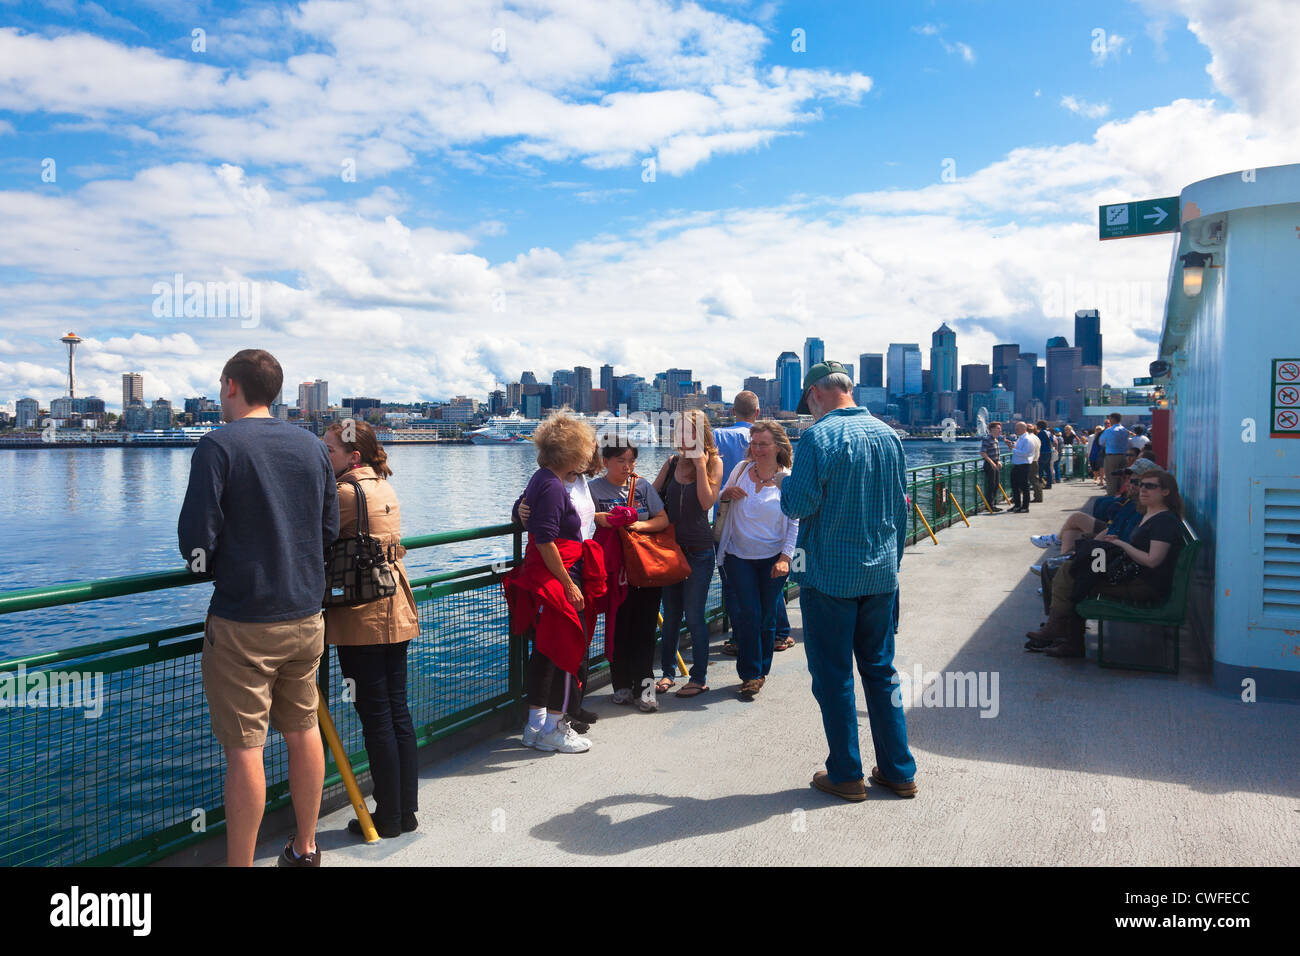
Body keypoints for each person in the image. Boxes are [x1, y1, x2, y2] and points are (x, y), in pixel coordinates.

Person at [178, 349, 338, 867]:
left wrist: (214, 564)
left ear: (230, 386)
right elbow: (328, 530)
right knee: (303, 729)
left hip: (244, 618)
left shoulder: (217, 446)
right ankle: (306, 848)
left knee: (245, 750)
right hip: (306, 615)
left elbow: (195, 542)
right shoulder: (313, 448)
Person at [780, 361, 917, 801]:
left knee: (835, 676)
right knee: (881, 672)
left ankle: (846, 774)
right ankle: (898, 770)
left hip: (830, 578)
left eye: (808, 401)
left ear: (816, 394)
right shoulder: (889, 434)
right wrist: (892, 566)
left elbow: (796, 505)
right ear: (849, 389)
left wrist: (782, 482)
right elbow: (900, 509)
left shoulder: (818, 437)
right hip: (881, 574)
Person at [323, 420, 420, 840]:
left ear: (352, 456)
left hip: (360, 614)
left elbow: (312, 537)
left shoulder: (344, 494)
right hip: (396, 604)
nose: (323, 457)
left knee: (375, 716)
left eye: (329, 451)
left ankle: (388, 817)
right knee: (397, 712)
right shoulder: (383, 486)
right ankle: (405, 812)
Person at [504, 413, 604, 754]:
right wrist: (569, 583)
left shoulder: (545, 480)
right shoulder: (552, 486)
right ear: (572, 452)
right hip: (560, 573)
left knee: (547, 651)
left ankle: (537, 725)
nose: (591, 455)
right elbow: (545, 539)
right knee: (565, 650)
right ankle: (555, 728)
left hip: (555, 570)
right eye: (586, 449)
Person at [1027, 470, 1185, 658]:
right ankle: (1062, 632)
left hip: (1143, 583)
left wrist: (1121, 544)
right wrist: (1111, 542)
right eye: (1141, 485)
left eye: (1150, 486)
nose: (1142, 489)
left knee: (1077, 574)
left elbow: (1153, 561)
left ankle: (1062, 633)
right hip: (1129, 572)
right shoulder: (1150, 514)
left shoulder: (1164, 522)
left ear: (1166, 492)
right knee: (1079, 567)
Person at [715, 421, 798, 698]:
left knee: (766, 615)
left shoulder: (788, 478)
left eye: (763, 444)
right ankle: (750, 674)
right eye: (754, 443)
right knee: (747, 613)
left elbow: (795, 522)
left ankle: (762, 670)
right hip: (738, 555)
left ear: (778, 447)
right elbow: (720, 498)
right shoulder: (740, 470)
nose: (757, 449)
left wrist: (786, 557)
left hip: (773, 557)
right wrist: (725, 495)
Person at [586, 439, 670, 711]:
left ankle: (645, 689)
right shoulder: (593, 489)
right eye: (620, 460)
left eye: (631, 460)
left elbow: (662, 519)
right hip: (612, 570)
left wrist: (636, 525)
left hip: (644, 569)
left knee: (644, 632)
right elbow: (582, 519)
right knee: (617, 627)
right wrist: (601, 518)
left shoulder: (642, 486)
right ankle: (621, 684)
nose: (627, 466)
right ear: (606, 461)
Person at [656, 408, 724, 697]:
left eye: (690, 431)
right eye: (680, 431)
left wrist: (699, 467)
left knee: (695, 615)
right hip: (671, 551)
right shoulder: (671, 463)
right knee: (670, 615)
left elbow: (707, 503)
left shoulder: (714, 464)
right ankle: (668, 673)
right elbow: (648, 495)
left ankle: (698, 677)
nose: (684, 437)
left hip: (698, 552)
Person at [1029, 459, 1159, 555]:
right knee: (1070, 533)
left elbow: (1151, 560)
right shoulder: (1133, 501)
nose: (1129, 484)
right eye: (1129, 480)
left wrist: (1094, 546)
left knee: (1077, 518)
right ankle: (1060, 569)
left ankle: (1058, 549)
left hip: (1115, 553)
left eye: (1135, 482)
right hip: (1112, 539)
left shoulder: (1146, 507)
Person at [1099, 413, 1133, 496]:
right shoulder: (1125, 430)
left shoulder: (1109, 430)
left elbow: (1101, 442)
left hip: (1111, 456)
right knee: (1123, 477)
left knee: (1111, 478)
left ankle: (1112, 495)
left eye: (1110, 419)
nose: (1109, 420)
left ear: (1113, 419)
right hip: (1124, 456)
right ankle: (1122, 494)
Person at [1006, 421, 1035, 513]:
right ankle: (1017, 505)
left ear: (1023, 429)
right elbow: (1019, 449)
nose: (1015, 430)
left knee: (1024, 486)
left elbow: (1026, 453)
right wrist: (1012, 445)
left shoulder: (1027, 439)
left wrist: (1013, 449)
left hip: (1024, 465)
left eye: (1017, 428)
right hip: (1017, 464)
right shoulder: (1020, 438)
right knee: (1014, 485)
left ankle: (1025, 507)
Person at [979, 421, 1004, 513]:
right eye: (998, 428)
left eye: (1000, 429)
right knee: (991, 485)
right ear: (992, 429)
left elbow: (996, 453)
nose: (1000, 430)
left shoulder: (996, 439)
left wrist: (998, 461)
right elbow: (983, 452)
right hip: (989, 465)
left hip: (995, 463)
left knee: (996, 484)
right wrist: (991, 462)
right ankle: (989, 505)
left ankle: (993, 504)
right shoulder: (987, 439)